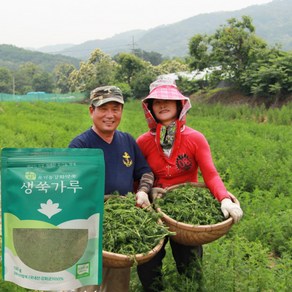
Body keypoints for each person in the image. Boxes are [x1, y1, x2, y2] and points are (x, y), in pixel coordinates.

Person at [135, 77, 243, 291]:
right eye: (157, 102)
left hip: (184, 212)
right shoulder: (143, 142)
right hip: (152, 210)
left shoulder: (195, 139)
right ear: (150, 108)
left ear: (179, 105)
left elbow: (210, 174)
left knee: (190, 263)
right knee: (149, 266)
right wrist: (147, 191)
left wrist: (224, 198)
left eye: (168, 101)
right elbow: (138, 177)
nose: (162, 105)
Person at [69, 85, 153, 292]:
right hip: (89, 229)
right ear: (91, 111)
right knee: (86, 285)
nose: (110, 115)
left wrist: (142, 191)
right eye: (103, 109)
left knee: (117, 285)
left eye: (116, 109)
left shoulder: (127, 141)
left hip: (121, 227)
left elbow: (145, 172)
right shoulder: (80, 146)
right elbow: (72, 190)